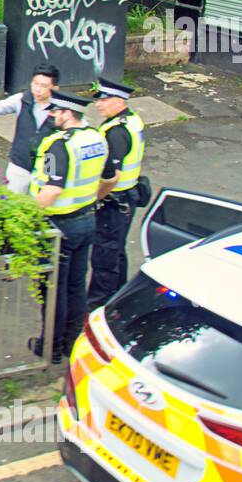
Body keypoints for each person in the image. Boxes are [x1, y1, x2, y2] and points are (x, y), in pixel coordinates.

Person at [27, 92, 107, 363]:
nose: (52, 115)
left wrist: (27, 214)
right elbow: (107, 179)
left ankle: (51, 346)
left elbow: (51, 191)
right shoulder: (95, 138)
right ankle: (74, 342)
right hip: (87, 220)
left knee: (53, 290)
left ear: (67, 114)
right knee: (75, 285)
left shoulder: (59, 146)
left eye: (55, 111)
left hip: (59, 226)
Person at [88, 76, 146, 308]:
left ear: (120, 102)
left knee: (105, 257)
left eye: (104, 100)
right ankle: (119, 298)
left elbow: (113, 176)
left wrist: (96, 198)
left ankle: (97, 307)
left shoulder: (116, 132)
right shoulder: (132, 120)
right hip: (127, 199)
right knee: (117, 252)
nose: (99, 104)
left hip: (114, 202)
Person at [0, 64, 60, 194]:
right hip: (20, 162)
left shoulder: (62, 109)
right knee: (14, 199)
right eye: (35, 84)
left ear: (55, 88)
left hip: (48, 164)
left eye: (44, 86)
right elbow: (1, 106)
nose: (38, 89)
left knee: (44, 202)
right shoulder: (23, 99)